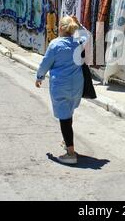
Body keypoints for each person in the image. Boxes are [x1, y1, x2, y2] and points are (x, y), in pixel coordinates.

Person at [36, 16, 88, 165]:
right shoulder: (78, 43)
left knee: (64, 118)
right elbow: (86, 35)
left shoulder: (55, 44)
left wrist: (39, 76)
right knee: (68, 113)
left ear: (60, 28)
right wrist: (79, 24)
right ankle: (68, 142)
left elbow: (45, 63)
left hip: (60, 85)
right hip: (77, 85)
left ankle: (71, 153)